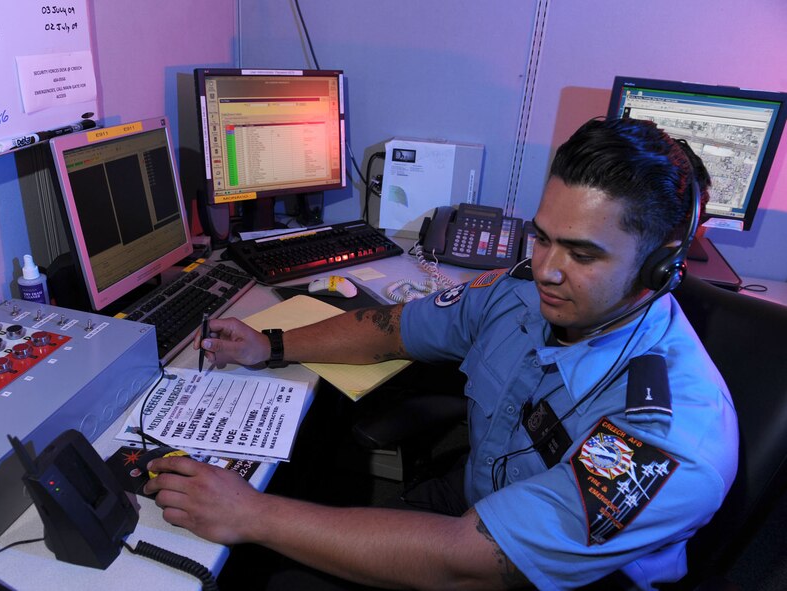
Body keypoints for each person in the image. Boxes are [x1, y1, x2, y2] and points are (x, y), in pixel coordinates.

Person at [143, 118, 739, 590]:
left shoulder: (664, 436)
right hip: (478, 498)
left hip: (544, 574)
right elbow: (401, 326)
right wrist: (271, 345)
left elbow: (467, 562)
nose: (547, 269)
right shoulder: (526, 292)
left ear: (661, 264)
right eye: (542, 237)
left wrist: (254, 515)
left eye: (582, 254)